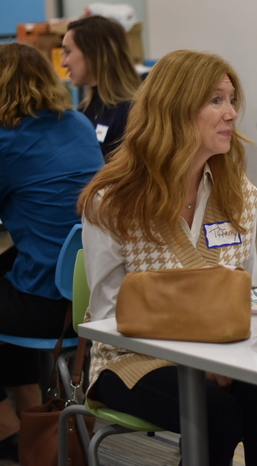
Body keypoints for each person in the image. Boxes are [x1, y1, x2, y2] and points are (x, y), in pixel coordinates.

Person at [78, 49, 257, 466]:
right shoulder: (113, 202)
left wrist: (224, 357)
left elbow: (249, 294)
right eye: (216, 100)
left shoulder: (239, 195)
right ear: (174, 110)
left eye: (232, 100)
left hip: (222, 354)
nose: (231, 113)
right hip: (130, 360)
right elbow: (107, 319)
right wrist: (196, 358)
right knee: (216, 411)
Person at [0, 42, 103, 461]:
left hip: (46, 304)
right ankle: (28, 404)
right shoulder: (78, 123)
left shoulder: (6, 138)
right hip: (93, 294)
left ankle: (7, 426)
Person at [61, 15, 141, 159]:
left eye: (67, 52)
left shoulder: (129, 112)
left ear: (92, 53)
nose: (63, 63)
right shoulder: (84, 110)